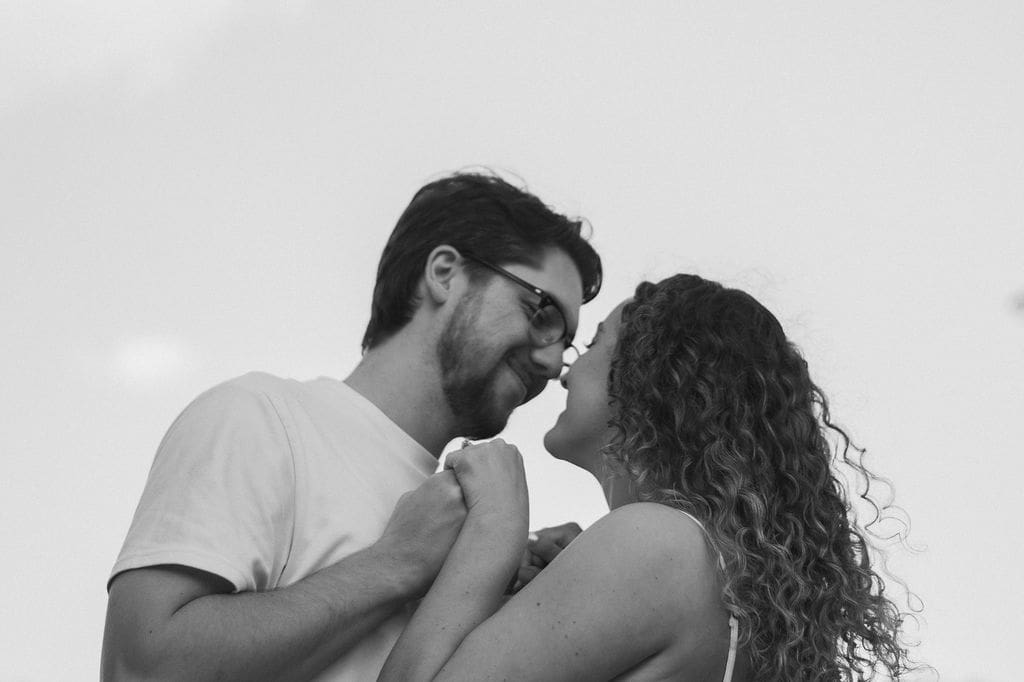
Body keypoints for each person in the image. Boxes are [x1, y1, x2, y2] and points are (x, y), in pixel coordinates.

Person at [100, 172, 603, 681]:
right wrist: (397, 563)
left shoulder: (471, 526)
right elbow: (141, 665)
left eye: (565, 344)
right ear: (445, 273)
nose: (552, 362)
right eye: (542, 313)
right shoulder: (260, 418)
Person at [379, 274, 915, 681]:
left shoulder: (657, 542)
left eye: (595, 345)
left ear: (647, 376)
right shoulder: (720, 572)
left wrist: (494, 526)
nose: (565, 371)